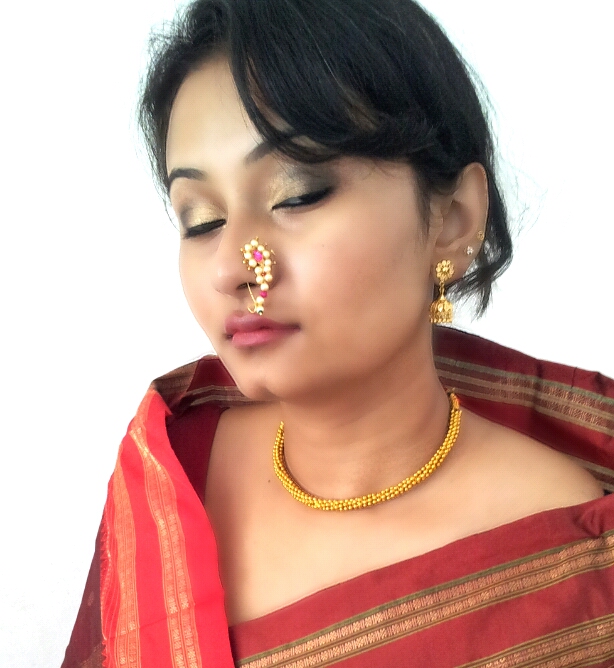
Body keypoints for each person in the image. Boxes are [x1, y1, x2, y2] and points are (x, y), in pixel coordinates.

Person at [62, 0, 614, 666]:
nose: (236, 267)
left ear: (453, 220)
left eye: (296, 194)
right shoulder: (168, 474)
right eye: (201, 219)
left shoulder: (569, 568)